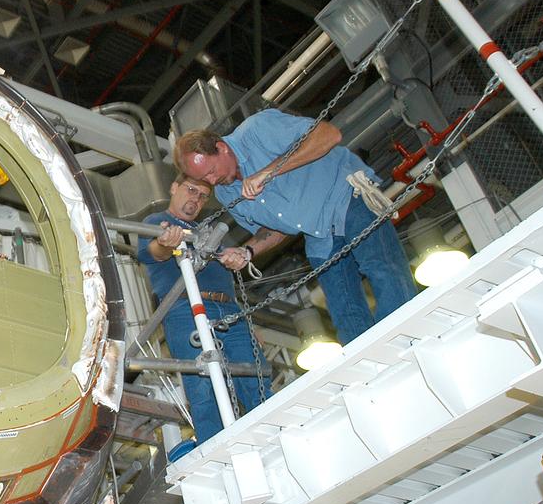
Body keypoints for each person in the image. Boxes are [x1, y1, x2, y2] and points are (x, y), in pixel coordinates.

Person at [174, 109, 416, 345]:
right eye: (204, 179)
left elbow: (329, 135)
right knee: (344, 311)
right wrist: (247, 252)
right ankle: (370, 364)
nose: (212, 181)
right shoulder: (227, 194)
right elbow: (276, 230)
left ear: (221, 147)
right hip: (317, 233)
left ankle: (405, 336)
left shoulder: (257, 130)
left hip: (346, 196)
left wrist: (268, 172)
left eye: (212, 171)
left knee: (383, 270)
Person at [137, 175, 271, 447]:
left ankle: (271, 437)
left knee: (255, 378)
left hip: (230, 309)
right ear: (173, 187)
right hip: (185, 308)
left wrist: (235, 259)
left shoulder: (212, 231)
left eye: (202, 196)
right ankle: (217, 452)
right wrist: (167, 243)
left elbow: (229, 271)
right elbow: (154, 251)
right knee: (203, 388)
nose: (195, 199)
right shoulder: (156, 222)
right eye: (190, 190)